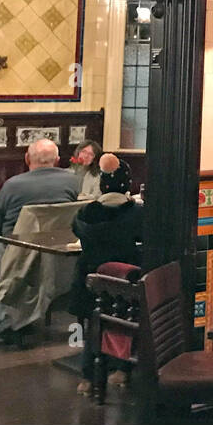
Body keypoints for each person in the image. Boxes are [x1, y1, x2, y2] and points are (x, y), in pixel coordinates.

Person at [0, 138, 78, 332]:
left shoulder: (13, 185)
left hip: (15, 252)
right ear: (57, 160)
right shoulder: (73, 181)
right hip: (57, 256)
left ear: (27, 159)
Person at [71, 154, 143, 395]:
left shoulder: (84, 213)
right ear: (127, 183)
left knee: (95, 324)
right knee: (126, 322)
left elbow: (76, 231)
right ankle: (122, 369)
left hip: (88, 281)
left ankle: (87, 378)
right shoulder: (137, 213)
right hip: (125, 283)